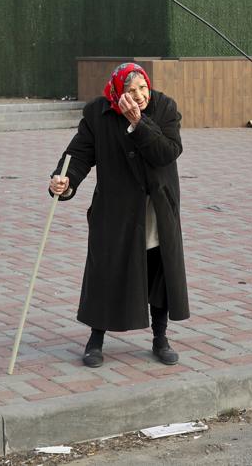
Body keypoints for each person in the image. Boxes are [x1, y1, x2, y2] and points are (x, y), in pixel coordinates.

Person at [48, 62, 189, 368]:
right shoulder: (98, 113)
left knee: (158, 272)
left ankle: (160, 338)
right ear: (116, 90)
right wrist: (65, 179)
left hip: (156, 209)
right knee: (106, 272)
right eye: (130, 90)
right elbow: (80, 154)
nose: (138, 96)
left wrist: (140, 123)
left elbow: (167, 152)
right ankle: (95, 340)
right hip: (115, 209)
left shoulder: (164, 108)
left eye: (142, 88)